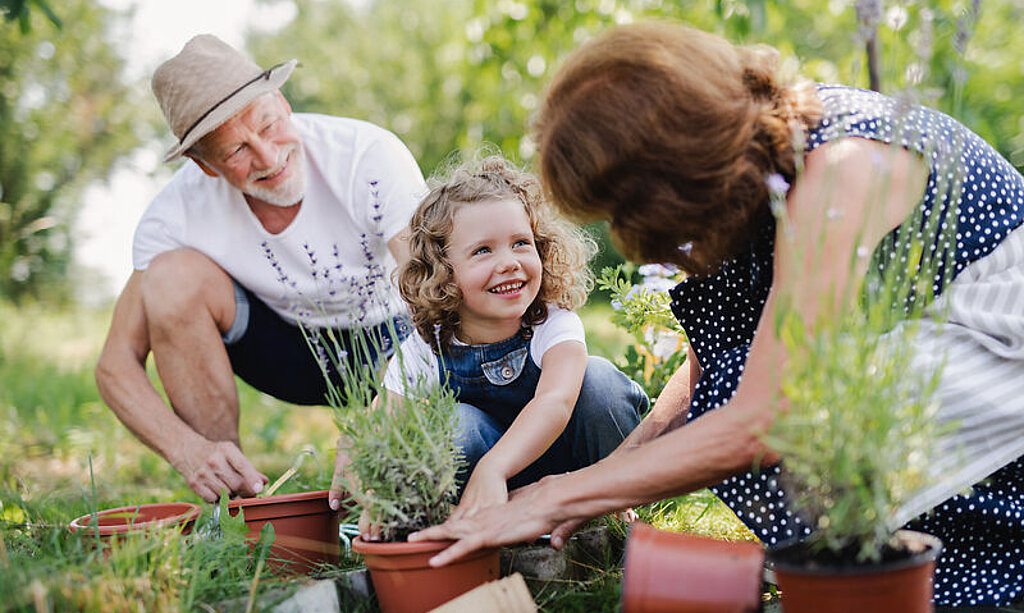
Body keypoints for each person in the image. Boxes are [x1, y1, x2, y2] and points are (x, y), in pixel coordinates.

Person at [408, 23, 1024, 607]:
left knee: (789, 419)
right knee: (732, 385)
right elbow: (711, 372)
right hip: (930, 360)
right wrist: (604, 480)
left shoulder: (838, 171)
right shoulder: (759, 175)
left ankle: (941, 569)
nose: (626, 234)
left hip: (1000, 351)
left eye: (621, 208)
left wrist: (552, 496)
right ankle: (873, 572)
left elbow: (763, 416)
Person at [94, 34, 426, 504]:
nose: (269, 158)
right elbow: (114, 366)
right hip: (284, 352)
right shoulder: (174, 215)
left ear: (284, 103)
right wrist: (188, 450)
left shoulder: (368, 156)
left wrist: (388, 407)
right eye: (236, 151)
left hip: (393, 340)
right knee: (170, 279)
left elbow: (441, 302)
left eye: (268, 125)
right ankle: (231, 504)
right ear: (203, 164)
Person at [329, 156, 647, 525]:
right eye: (483, 250)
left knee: (600, 382)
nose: (510, 261)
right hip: (487, 489)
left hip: (572, 471)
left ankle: (613, 503)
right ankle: (482, 520)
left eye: (520, 243)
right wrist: (366, 469)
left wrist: (494, 468)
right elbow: (386, 420)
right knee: (452, 423)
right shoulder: (429, 345)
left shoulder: (553, 322)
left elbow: (555, 402)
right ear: (444, 272)